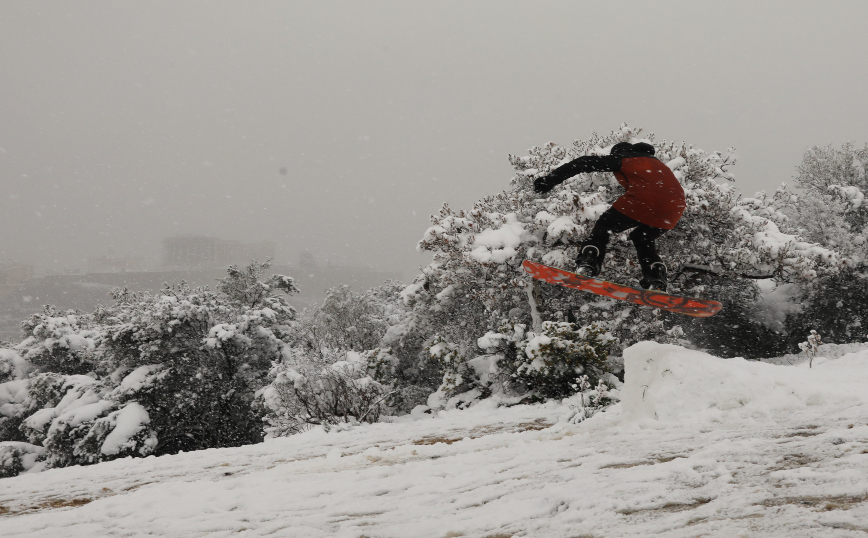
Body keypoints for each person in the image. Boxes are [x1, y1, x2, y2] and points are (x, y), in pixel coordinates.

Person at [533, 141, 685, 291]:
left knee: (604, 227)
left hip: (643, 200)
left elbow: (583, 162)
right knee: (642, 237)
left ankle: (588, 263)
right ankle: (655, 276)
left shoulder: (623, 158)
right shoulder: (657, 164)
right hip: (674, 208)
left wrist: (551, 179)